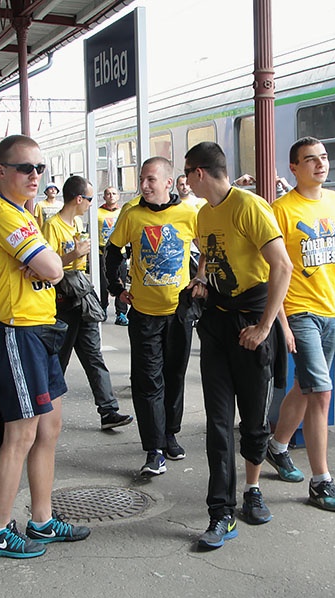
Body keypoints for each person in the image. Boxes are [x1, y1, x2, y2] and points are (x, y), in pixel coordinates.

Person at [0, 135, 89, 559]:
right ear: (1, 171)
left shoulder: (25, 214)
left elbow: (46, 265)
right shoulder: (4, 215)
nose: (34, 176)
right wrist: (49, 260)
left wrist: (44, 260)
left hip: (39, 330)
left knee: (49, 427)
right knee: (20, 434)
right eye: (25, 168)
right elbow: (54, 268)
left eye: (39, 168)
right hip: (15, 330)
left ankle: (41, 520)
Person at [183, 141, 293, 549]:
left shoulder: (249, 206)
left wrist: (266, 327)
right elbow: (208, 257)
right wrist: (200, 279)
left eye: (187, 173)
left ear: (199, 173)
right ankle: (221, 512)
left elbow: (282, 266)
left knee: (253, 420)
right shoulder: (202, 214)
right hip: (216, 323)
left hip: (251, 320)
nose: (186, 181)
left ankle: (252, 489)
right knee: (217, 423)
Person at [266, 136, 335, 511]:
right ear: (294, 168)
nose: (320, 164)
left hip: (330, 310)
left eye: (324, 158)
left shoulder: (334, 202)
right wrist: (279, 321)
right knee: (322, 392)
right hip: (298, 310)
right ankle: (321, 480)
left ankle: (277, 446)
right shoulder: (281, 209)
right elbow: (273, 270)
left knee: (306, 386)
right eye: (310, 160)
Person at [105, 157, 198, 476]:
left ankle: (170, 433)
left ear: (168, 183)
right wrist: (117, 287)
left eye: (151, 180)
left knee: (175, 375)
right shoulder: (131, 213)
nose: (144, 186)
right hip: (144, 314)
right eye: (142, 179)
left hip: (178, 313)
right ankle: (153, 449)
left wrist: (200, 283)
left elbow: (209, 250)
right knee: (147, 381)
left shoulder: (189, 213)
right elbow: (112, 251)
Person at [43, 176, 133, 431]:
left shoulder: (78, 222)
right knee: (59, 357)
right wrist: (75, 254)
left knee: (94, 355)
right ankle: (46, 413)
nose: (93, 204)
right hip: (63, 298)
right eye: (91, 199)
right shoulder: (53, 226)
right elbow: (46, 266)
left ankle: (109, 411)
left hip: (81, 294)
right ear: (79, 198)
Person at [97, 186, 129, 325]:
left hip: (119, 253)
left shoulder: (123, 213)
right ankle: (102, 308)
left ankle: (121, 313)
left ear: (118, 196)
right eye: (108, 193)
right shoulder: (97, 213)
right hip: (101, 252)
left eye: (114, 193)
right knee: (103, 283)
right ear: (104, 197)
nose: (111, 196)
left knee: (120, 282)